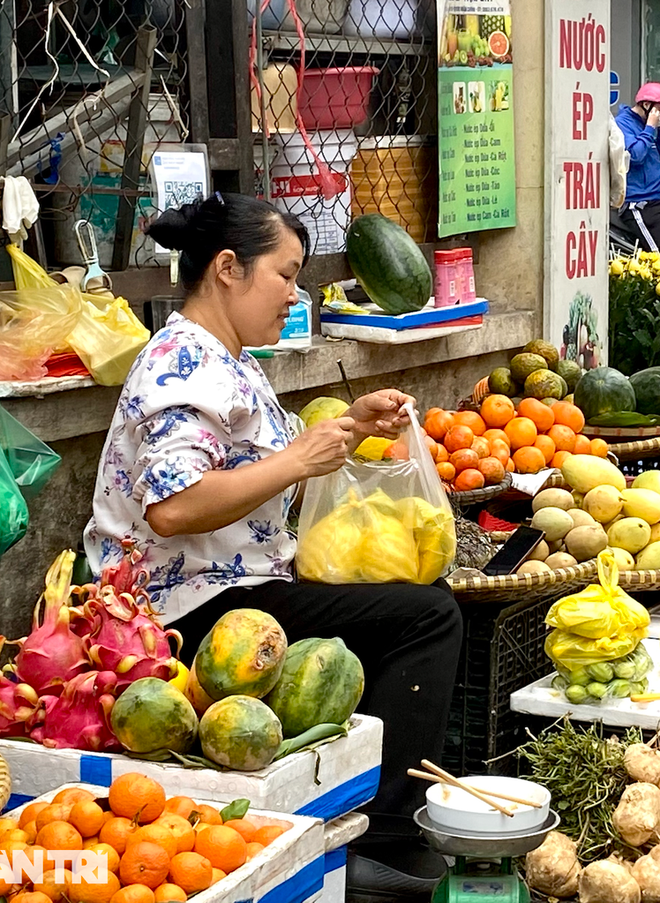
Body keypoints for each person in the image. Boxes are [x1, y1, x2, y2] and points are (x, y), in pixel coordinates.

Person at [83, 193, 462, 903]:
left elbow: (266, 464)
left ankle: (374, 819)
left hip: (240, 586)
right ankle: (379, 845)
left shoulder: (229, 358)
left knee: (428, 603)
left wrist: (349, 424)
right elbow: (174, 507)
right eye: (285, 275)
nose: (295, 293)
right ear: (228, 268)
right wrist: (297, 461)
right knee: (426, 620)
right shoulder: (180, 366)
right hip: (186, 609)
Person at [614, 82, 660, 252]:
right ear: (647, 105)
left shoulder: (650, 125)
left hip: (659, 199)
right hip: (639, 202)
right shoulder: (622, 124)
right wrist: (650, 128)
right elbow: (636, 156)